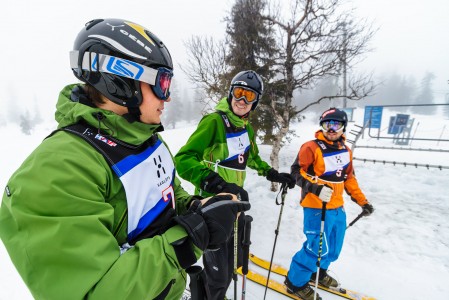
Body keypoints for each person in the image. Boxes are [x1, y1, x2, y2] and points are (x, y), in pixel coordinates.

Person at [0, 18, 250, 300]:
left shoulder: (146, 138)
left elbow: (165, 191)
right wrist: (194, 235)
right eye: (162, 83)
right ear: (122, 81)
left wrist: (194, 206)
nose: (166, 98)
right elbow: (96, 290)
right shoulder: (56, 170)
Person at [174, 70, 296, 299]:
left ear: (255, 102)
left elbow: (251, 158)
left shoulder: (246, 129)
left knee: (232, 263)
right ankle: (209, 294)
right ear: (230, 94)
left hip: (235, 204)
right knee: (218, 270)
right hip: (213, 205)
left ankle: (216, 293)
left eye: (249, 96)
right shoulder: (214, 122)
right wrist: (216, 183)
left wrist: (273, 174)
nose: (242, 101)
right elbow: (183, 159)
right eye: (239, 93)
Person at [284, 107, 374, 300]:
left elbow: (349, 179)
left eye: (336, 124)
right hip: (316, 207)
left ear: (343, 127)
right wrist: (315, 188)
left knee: (333, 247)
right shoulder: (311, 147)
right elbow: (295, 172)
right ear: (322, 126)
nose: (331, 129)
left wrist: (362, 202)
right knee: (316, 247)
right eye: (327, 124)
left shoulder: (345, 150)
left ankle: (318, 273)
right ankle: (295, 282)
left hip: (337, 208)